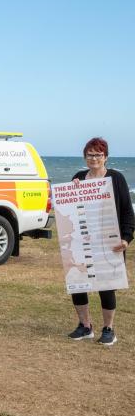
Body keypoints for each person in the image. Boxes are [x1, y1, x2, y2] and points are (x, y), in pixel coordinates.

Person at [67, 137, 133, 346]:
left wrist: (126, 238)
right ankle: (85, 326)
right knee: (78, 283)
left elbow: (127, 212)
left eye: (98, 154)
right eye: (90, 154)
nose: (93, 158)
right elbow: (69, 211)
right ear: (85, 157)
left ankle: (109, 329)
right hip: (82, 241)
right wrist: (73, 191)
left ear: (106, 157)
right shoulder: (78, 178)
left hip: (109, 242)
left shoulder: (116, 178)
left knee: (106, 287)